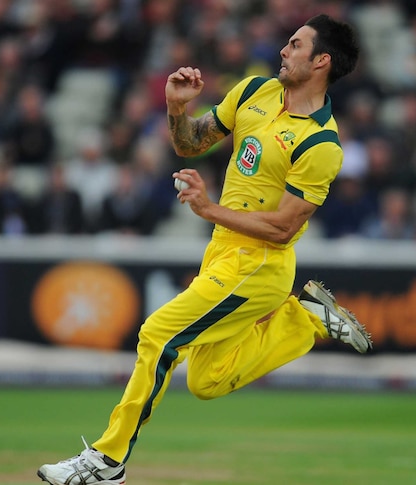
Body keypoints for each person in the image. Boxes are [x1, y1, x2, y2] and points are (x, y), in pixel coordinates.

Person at [38, 14, 372, 485]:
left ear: (320, 61)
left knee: (157, 334)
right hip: (222, 253)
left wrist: (209, 209)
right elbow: (191, 143)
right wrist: (176, 110)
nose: (283, 50)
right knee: (205, 381)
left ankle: (106, 462)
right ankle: (305, 319)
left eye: (295, 45)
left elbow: (282, 228)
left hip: (259, 263)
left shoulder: (322, 143)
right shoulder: (255, 91)